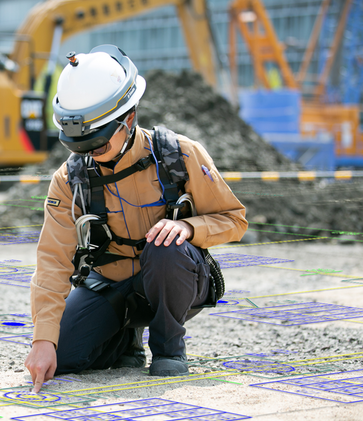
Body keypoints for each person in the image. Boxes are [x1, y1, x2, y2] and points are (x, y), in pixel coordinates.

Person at [25, 45, 248, 393]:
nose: (89, 156)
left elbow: (234, 220)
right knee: (64, 356)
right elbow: (52, 261)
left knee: (166, 248)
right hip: (110, 284)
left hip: (172, 275)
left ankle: (168, 347)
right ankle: (126, 338)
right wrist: (43, 341)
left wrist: (189, 227)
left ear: (128, 119)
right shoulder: (69, 179)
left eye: (97, 145)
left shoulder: (180, 155)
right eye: (78, 147)